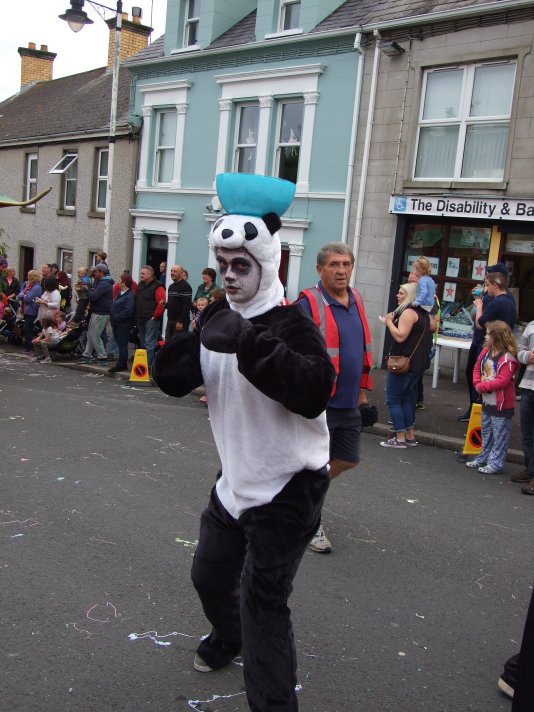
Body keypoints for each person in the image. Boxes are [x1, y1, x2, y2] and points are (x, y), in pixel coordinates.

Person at [152, 173, 334, 712]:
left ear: (267, 264)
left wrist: (252, 342)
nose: (230, 276)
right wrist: (180, 353)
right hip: (235, 479)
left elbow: (314, 390)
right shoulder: (218, 311)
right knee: (208, 576)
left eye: (241, 266)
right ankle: (226, 634)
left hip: (288, 487)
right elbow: (176, 376)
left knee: (265, 605)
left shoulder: (292, 323)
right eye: (223, 264)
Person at [298, 241, 373, 554]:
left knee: (347, 459)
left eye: (346, 264)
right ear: (320, 269)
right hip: (320, 404)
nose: (341, 270)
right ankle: (309, 523)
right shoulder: (307, 303)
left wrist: (363, 395)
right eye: (334, 265)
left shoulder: (356, 299)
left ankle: (299, 496)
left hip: (349, 402)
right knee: (315, 468)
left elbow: (360, 350)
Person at [458, 264, 517, 422]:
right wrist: (478, 300)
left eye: (489, 278)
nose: (486, 280)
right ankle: (476, 412)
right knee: (476, 374)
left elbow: (479, 322)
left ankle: (477, 416)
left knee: (482, 378)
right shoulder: (502, 298)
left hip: (487, 345)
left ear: (496, 281)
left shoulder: (496, 299)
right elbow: (475, 316)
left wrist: (479, 304)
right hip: (483, 342)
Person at [380, 282, 433, 448]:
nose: (397, 295)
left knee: (393, 399)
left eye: (401, 293)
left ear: (410, 296)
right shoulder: (423, 313)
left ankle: (400, 438)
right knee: (406, 400)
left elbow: (400, 336)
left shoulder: (408, 312)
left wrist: (389, 322)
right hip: (418, 363)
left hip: (404, 364)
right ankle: (409, 436)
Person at [465, 320, 518, 474]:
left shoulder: (508, 360)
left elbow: (503, 381)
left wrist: (482, 387)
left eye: (488, 334)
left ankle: (496, 463)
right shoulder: (485, 351)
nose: (485, 336)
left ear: (497, 337)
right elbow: (477, 367)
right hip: (487, 402)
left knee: (499, 436)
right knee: (486, 432)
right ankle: (483, 457)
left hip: (501, 406)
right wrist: (477, 383)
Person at [511, 319, 534, 494]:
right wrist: (528, 356)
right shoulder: (532, 325)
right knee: (527, 433)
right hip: (528, 385)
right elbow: (519, 350)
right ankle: (530, 469)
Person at [78, 264, 113, 364]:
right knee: (90, 334)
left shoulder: (104, 284)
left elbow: (94, 296)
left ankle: (102, 357)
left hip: (102, 313)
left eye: (96, 272)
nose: (94, 274)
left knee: (95, 335)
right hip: (96, 311)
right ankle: (87, 355)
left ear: (101, 272)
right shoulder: (101, 282)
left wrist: (87, 288)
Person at [134, 265, 166, 370]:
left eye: (143, 273)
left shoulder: (158, 286)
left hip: (150, 319)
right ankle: (142, 366)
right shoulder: (140, 285)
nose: (141, 275)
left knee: (149, 344)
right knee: (143, 343)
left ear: (150, 274)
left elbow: (162, 303)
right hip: (141, 318)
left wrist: (154, 316)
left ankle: (147, 367)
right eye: (141, 273)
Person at [108, 273, 135, 374]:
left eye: (119, 281)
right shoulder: (121, 293)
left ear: (124, 283)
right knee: (120, 344)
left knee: (122, 344)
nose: (117, 283)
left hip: (123, 324)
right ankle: (122, 363)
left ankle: (121, 365)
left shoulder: (129, 295)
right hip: (117, 323)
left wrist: (117, 317)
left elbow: (128, 310)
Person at [18, 269, 42, 354]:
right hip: (27, 310)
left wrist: (23, 296)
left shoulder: (36, 287)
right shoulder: (30, 286)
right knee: (27, 329)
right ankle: (28, 347)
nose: (27, 277)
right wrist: (23, 295)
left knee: (28, 329)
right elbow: (20, 295)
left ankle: (31, 348)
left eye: (29, 276)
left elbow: (27, 298)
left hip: (32, 310)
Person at [165, 264, 192, 339]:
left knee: (177, 343)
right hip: (170, 320)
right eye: (171, 271)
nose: (172, 273)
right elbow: (173, 303)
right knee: (168, 342)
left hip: (180, 322)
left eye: (175, 271)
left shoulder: (186, 286)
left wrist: (180, 321)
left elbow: (187, 306)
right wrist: (165, 305)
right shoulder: (171, 287)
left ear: (181, 274)